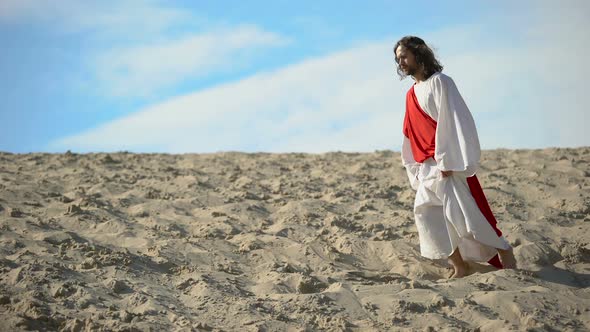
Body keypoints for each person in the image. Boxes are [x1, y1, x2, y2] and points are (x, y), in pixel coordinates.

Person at [393, 36, 517, 278]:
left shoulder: (441, 82)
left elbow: (455, 121)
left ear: (419, 54)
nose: (401, 62)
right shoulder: (410, 94)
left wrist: (448, 159)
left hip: (445, 164)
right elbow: (410, 132)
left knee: (467, 218)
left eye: (404, 56)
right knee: (428, 216)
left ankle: (504, 251)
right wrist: (414, 165)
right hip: (426, 166)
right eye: (398, 59)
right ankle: (459, 265)